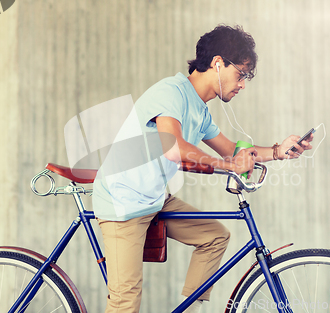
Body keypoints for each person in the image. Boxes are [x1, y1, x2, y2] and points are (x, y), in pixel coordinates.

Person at [93, 24, 313, 313]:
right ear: (218, 63)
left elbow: (232, 149)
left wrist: (277, 151)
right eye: (241, 74)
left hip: (155, 198)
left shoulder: (200, 109)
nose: (243, 84)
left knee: (215, 236)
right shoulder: (170, 92)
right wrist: (229, 166)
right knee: (126, 301)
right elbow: (175, 149)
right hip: (124, 201)